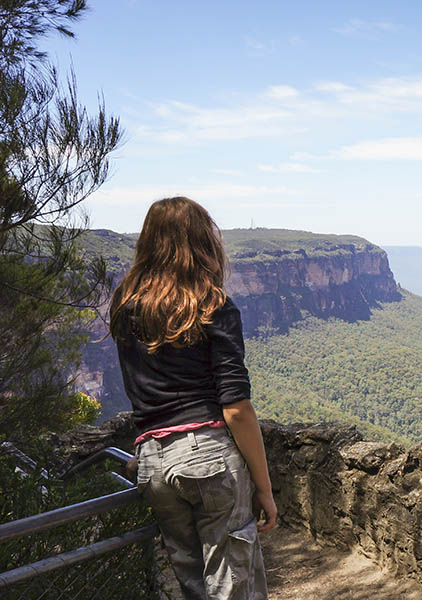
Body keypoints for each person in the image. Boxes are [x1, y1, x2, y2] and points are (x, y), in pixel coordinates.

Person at [110, 196, 277, 600]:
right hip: (207, 455)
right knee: (232, 584)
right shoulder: (212, 305)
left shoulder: (126, 306)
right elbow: (236, 408)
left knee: (193, 584)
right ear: (203, 243)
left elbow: (140, 389)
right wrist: (264, 487)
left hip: (151, 461)